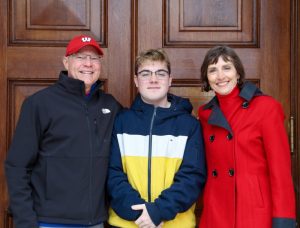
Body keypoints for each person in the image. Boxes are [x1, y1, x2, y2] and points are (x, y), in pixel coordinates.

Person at [5, 34, 122, 228]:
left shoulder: (110, 105)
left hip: (94, 222)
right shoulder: (39, 104)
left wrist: (175, 108)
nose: (88, 63)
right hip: (49, 221)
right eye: (80, 57)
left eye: (94, 58)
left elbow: (140, 122)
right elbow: (17, 166)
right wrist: (25, 222)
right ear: (66, 62)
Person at [198, 45, 296, 228]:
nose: (220, 76)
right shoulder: (205, 115)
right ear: (207, 78)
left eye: (226, 68)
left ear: (238, 73)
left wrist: (284, 221)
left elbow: (280, 172)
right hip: (216, 211)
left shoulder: (266, 108)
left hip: (254, 211)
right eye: (213, 70)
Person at [107, 48, 206, 228]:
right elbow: (112, 174)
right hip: (126, 223)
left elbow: (192, 177)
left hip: (175, 224)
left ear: (170, 80)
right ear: (136, 81)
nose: (153, 79)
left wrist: (158, 212)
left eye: (160, 73)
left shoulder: (189, 126)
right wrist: (141, 215)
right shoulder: (121, 121)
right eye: (145, 74)